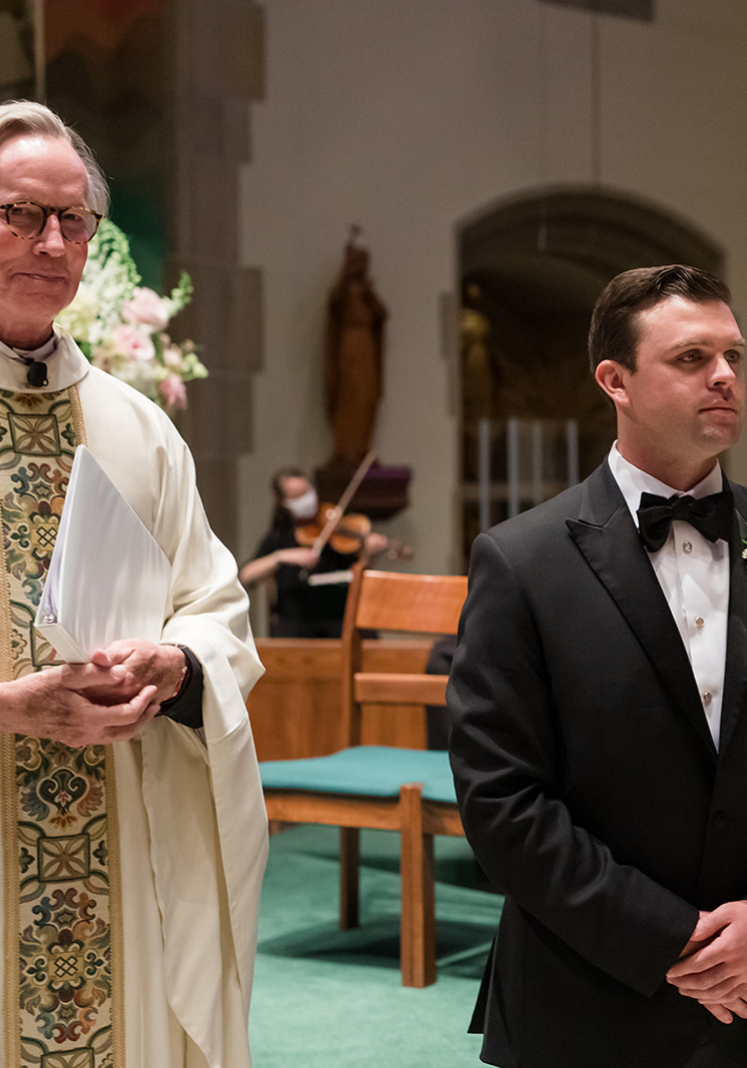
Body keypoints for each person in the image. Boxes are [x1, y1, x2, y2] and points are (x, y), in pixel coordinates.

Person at [446, 265, 747, 1068]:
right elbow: (502, 799)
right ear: (615, 380)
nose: (723, 376)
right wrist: (671, 941)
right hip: (589, 1001)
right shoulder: (521, 561)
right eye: (690, 358)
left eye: (734, 357)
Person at [0, 101, 264, 1066]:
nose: (52, 242)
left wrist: (176, 662)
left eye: (74, 221)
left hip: (122, 815)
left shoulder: (135, 426)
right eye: (18, 214)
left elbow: (215, 604)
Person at [239, 466, 388, 637]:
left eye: (306, 491)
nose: (305, 499)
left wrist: (369, 552)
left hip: (340, 620)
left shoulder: (335, 528)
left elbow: (361, 571)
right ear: (283, 502)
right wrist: (281, 556)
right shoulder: (279, 537)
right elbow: (246, 575)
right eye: (296, 496)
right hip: (296, 624)